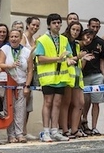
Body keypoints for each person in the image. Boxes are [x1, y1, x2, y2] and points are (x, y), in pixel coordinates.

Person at [30, 13, 73, 142]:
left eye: (59, 22)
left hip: (60, 77)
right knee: (48, 103)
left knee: (57, 103)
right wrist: (57, 59)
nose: (57, 25)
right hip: (48, 77)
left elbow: (68, 56)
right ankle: (46, 131)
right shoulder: (42, 39)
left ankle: (55, 130)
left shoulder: (64, 39)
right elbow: (40, 58)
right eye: (54, 23)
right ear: (49, 25)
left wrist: (72, 60)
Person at [0, 28, 31, 143]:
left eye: (16, 37)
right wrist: (9, 65)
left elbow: (30, 70)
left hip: (21, 84)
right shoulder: (5, 49)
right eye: (12, 36)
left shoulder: (26, 51)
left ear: (20, 38)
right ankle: (10, 135)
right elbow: (0, 64)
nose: (14, 39)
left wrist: (27, 86)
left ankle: (19, 134)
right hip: (8, 85)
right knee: (8, 109)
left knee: (20, 110)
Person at [80, 21, 104, 136]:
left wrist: (103, 74)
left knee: (96, 102)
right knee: (84, 101)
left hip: (96, 75)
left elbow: (101, 59)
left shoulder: (101, 42)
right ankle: (83, 122)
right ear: (88, 27)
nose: (95, 29)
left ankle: (94, 127)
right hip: (84, 75)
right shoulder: (81, 41)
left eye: (97, 27)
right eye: (93, 26)